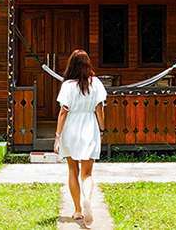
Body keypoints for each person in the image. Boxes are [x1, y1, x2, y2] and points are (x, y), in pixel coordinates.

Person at [54, 49, 107, 225]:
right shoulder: (96, 83)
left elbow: (63, 112)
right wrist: (101, 128)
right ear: (87, 65)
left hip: (70, 128)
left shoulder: (67, 85)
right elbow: (99, 109)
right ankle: (88, 200)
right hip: (89, 127)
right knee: (87, 173)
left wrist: (57, 136)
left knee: (72, 169)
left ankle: (77, 210)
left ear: (71, 65)